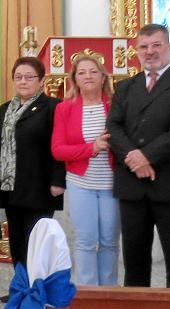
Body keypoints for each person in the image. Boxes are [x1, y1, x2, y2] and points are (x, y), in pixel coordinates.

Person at [107, 23, 170, 288]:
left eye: (156, 45)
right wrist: (133, 158)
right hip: (132, 188)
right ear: (136, 51)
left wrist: (146, 157)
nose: (150, 52)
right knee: (135, 265)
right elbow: (113, 127)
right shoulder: (125, 87)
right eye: (144, 47)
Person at [0, 57, 64, 302]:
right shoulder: (4, 109)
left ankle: (39, 290)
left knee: (38, 242)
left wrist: (58, 180)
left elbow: (58, 146)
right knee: (17, 240)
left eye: (29, 77)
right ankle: (21, 287)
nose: (23, 81)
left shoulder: (53, 107)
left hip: (40, 186)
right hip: (10, 187)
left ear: (41, 80)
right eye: (18, 77)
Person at [51, 55, 118, 286]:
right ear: (75, 80)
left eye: (93, 71)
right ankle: (87, 292)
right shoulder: (64, 109)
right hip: (81, 184)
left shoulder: (116, 105)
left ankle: (109, 293)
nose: (87, 76)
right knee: (85, 241)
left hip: (112, 184)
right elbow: (58, 150)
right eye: (81, 72)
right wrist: (92, 148)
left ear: (103, 77)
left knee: (110, 241)